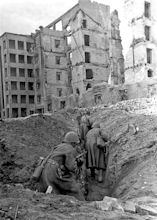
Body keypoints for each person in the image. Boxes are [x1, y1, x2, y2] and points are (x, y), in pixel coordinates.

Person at [38, 131, 85, 201]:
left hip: (46, 169)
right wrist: (78, 164)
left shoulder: (59, 146)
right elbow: (70, 167)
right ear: (73, 143)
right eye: (75, 144)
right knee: (73, 187)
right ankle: (81, 201)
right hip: (53, 171)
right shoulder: (69, 148)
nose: (76, 146)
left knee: (52, 190)